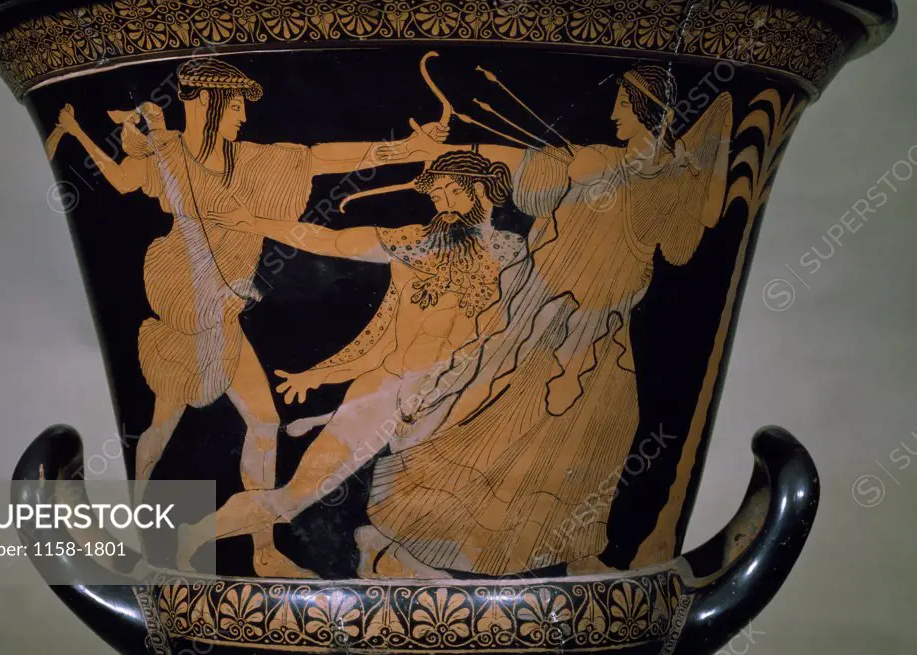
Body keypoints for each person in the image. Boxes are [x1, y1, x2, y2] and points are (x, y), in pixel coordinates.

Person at [325, 64, 734, 576]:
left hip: (606, 326)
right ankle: (426, 541)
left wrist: (682, 180)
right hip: (551, 317)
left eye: (623, 105)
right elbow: (527, 170)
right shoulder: (594, 160)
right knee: (509, 426)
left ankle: (577, 553)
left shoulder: (661, 182)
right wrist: (469, 154)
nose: (612, 112)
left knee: (605, 430)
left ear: (644, 110)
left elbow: (679, 247)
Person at [49, 57, 444, 577]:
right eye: (232, 105)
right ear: (205, 103)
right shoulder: (168, 153)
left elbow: (320, 158)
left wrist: (406, 151)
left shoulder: (254, 161)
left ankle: (262, 551)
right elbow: (131, 184)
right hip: (187, 306)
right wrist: (107, 133)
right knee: (163, 424)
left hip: (226, 311)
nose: (241, 116)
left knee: (262, 422)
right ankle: (144, 530)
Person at [176, 149, 524, 575]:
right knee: (296, 497)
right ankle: (189, 537)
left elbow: (505, 335)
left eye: (454, 192)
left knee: (458, 499)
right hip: (386, 396)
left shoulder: (512, 253)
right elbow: (334, 244)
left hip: (450, 405)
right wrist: (253, 224)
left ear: (483, 192)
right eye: (437, 196)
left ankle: (385, 559)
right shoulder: (414, 241)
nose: (444, 204)